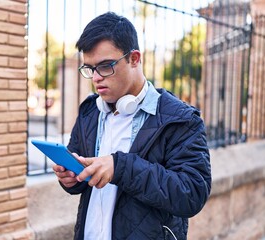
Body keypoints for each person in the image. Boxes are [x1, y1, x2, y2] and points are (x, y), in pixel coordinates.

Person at [53, 11, 211, 240]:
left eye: (106, 66)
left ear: (135, 58)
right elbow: (83, 181)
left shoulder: (181, 119)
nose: (96, 77)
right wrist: (71, 178)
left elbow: (192, 193)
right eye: (89, 68)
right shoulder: (89, 112)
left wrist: (120, 167)